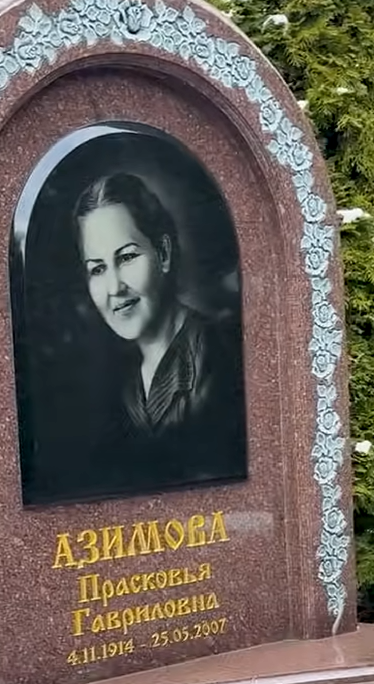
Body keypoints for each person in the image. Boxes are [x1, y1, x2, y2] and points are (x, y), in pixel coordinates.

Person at [72, 171, 246, 491]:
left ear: (163, 253)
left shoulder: (218, 353)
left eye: (127, 257)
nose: (114, 287)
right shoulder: (123, 383)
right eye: (97, 269)